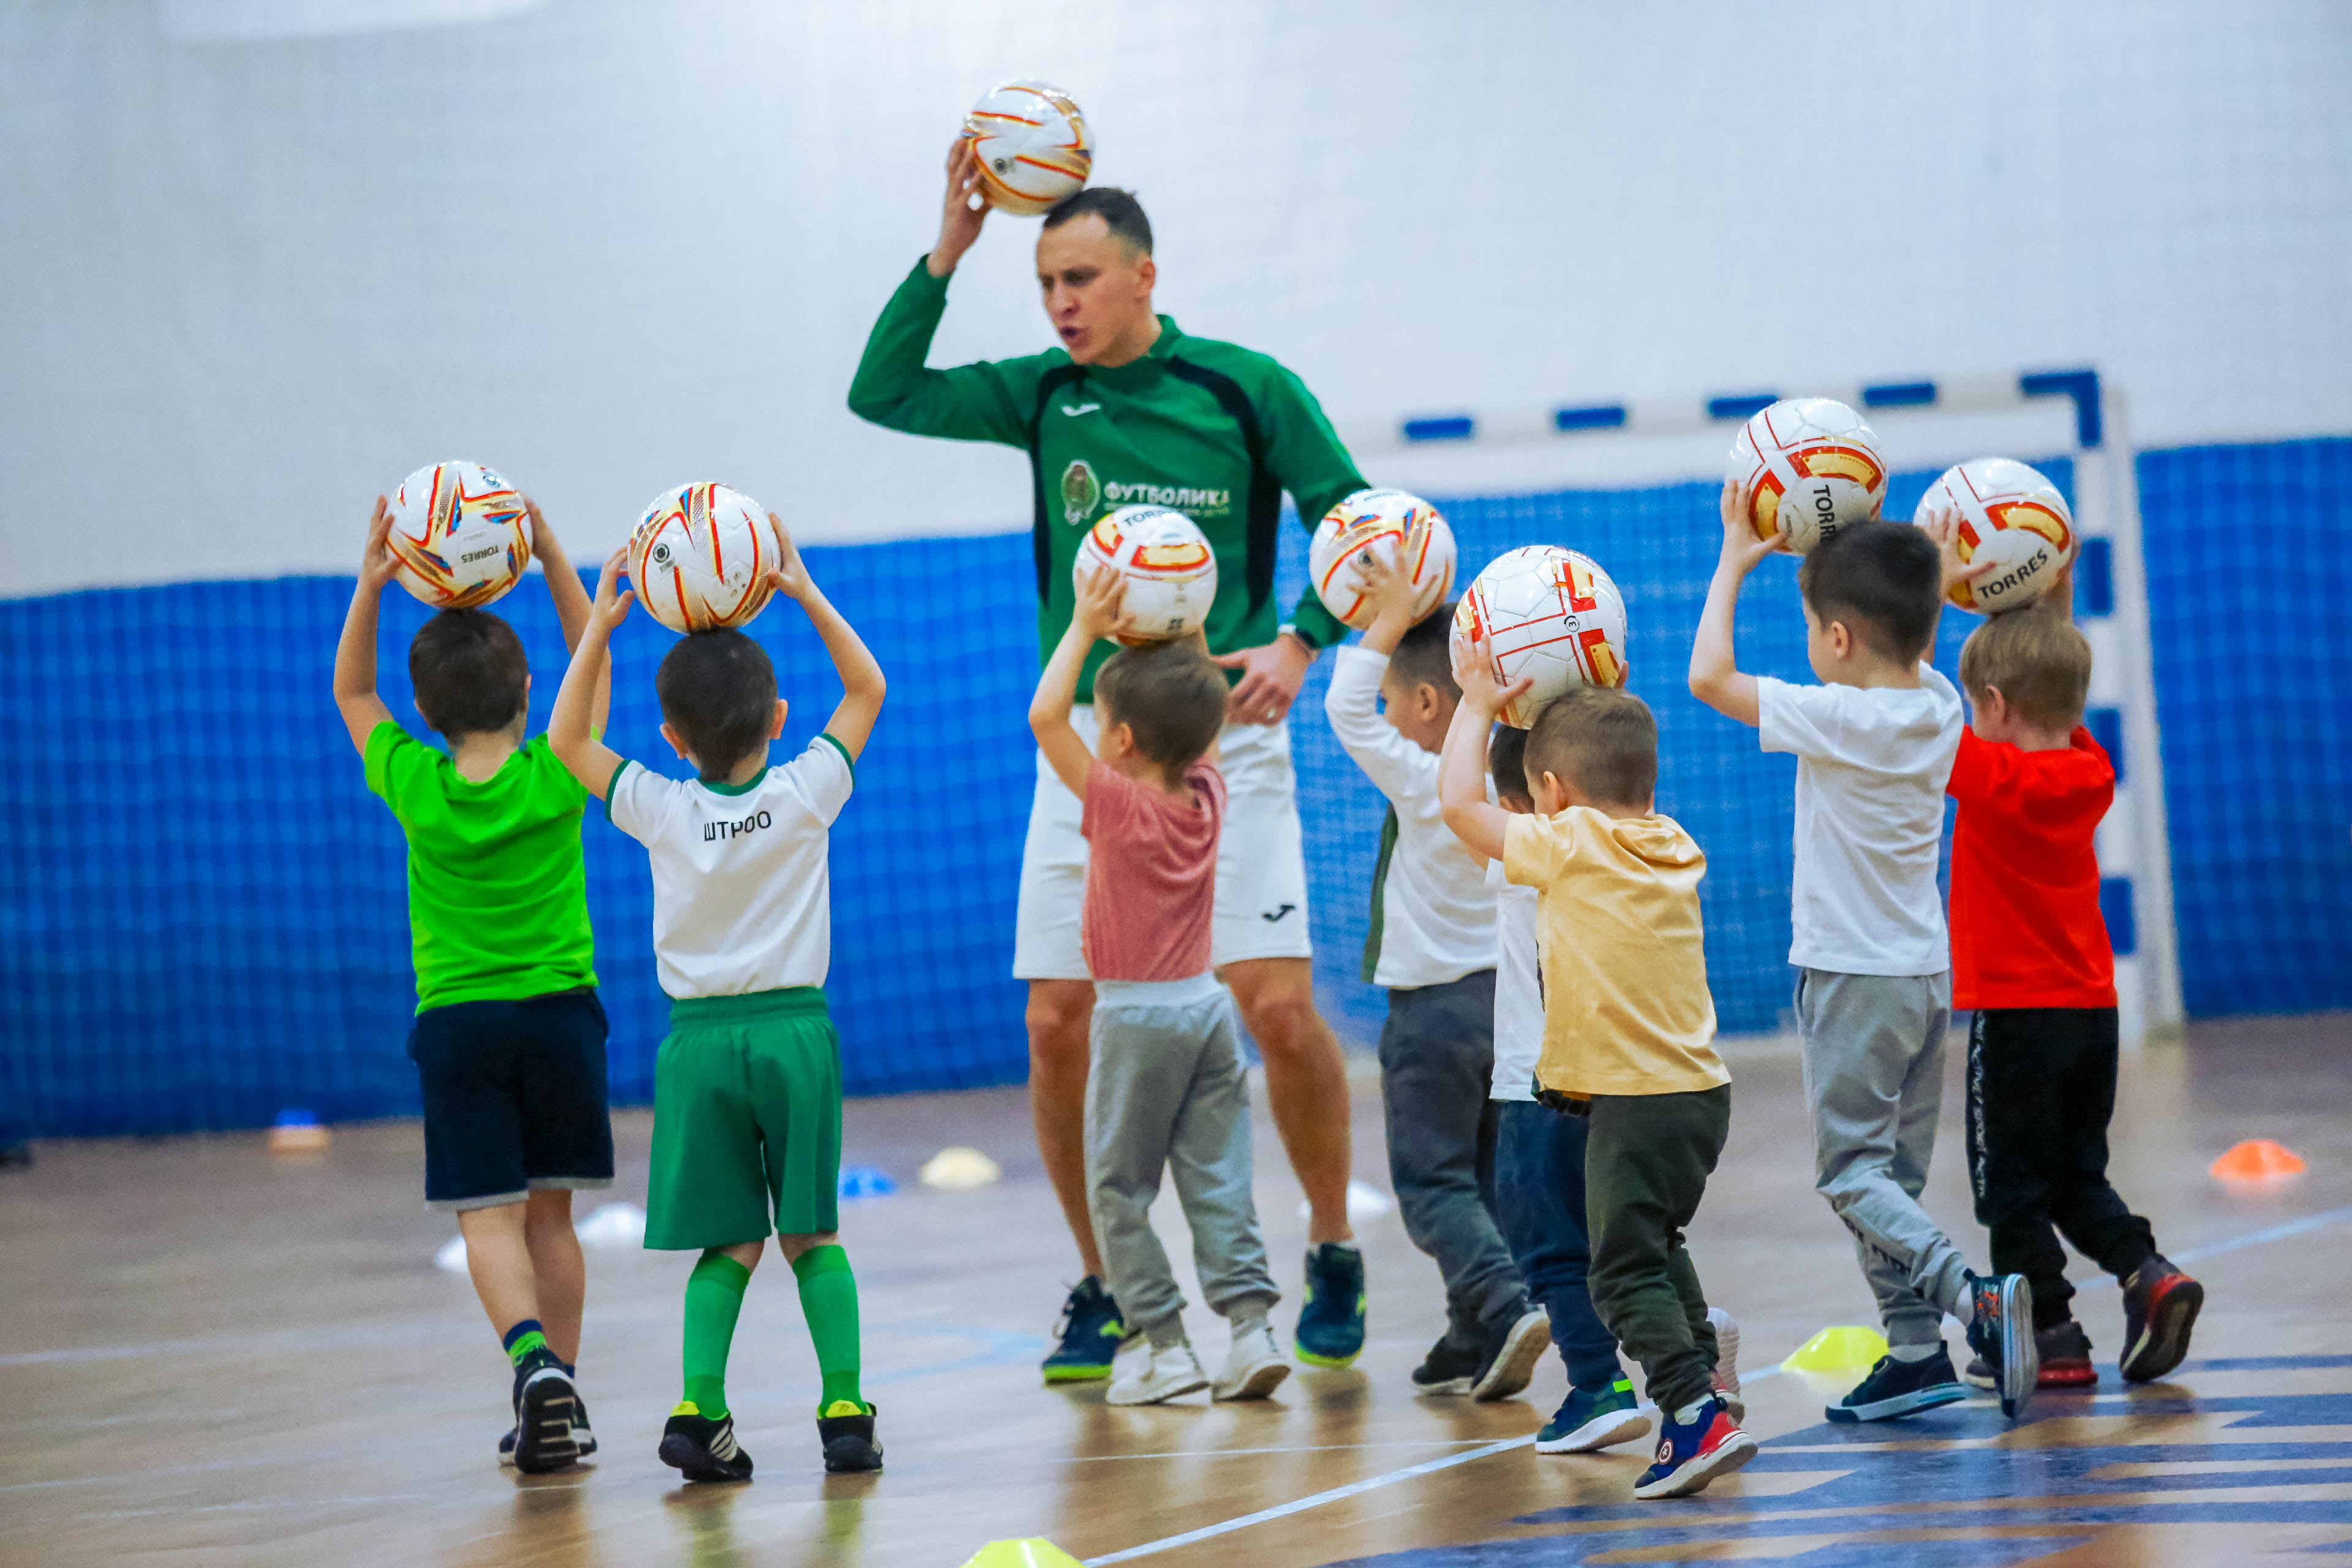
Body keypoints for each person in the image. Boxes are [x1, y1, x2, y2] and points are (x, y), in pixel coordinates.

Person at [848, 149, 1368, 1377]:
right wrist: (948, 251)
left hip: (1226, 744)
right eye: (1042, 284)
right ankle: (1106, 1284)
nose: (1060, 304)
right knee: (1054, 1020)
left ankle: (1333, 1245)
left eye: (1079, 278)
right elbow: (882, 391)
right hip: (1087, 749)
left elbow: (1354, 520)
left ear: (1144, 276)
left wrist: (1302, 638)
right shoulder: (1040, 394)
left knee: (1278, 1007)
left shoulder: (1245, 387)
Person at [1687, 483, 2038, 1422]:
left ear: (1839, 640)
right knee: (1891, 1180)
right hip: (1924, 976)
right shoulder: (1937, 701)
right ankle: (1919, 1355)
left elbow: (1707, 679)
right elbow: (1912, 628)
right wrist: (1928, 560)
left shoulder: (1845, 717)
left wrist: (1733, 555)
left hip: (1852, 976)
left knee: (1851, 1175)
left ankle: (1975, 1301)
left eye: (1811, 624)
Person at [546, 520, 888, 1479]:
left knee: (726, 1240)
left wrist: (602, 626)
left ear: (669, 736)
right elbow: (869, 688)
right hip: (794, 1033)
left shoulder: (660, 806)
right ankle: (845, 1410)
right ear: (780, 716)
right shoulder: (809, 790)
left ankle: (700, 1411)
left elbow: (566, 737)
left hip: (696, 1046)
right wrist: (805, 591)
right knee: (810, 1232)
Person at [331, 494, 609, 1474]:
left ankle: (533, 1372)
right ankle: (562, 1386)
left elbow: (353, 696)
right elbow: (597, 662)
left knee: (487, 1216)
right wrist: (552, 553)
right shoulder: (558, 770)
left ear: (425, 712)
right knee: (551, 1215)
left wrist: (372, 585)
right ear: (533, 690)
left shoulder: (413, 779)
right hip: (561, 1019)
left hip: (458, 1026)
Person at [1438, 660, 1755, 1500]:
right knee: (1655, 1245)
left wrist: (1474, 703)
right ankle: (1707, 1388)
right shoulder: (1672, 839)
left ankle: (1689, 1415)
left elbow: (1459, 807)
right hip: (1700, 1094)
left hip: (1637, 1100)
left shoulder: (1570, 843)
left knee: (1618, 1269)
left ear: (1547, 790)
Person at [1926, 526, 2204, 1389]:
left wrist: (1931, 592)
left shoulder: (1993, 776)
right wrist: (2051, 598)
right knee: (2077, 1175)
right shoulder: (2088, 767)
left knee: (2006, 1187)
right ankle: (2148, 1273)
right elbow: (2057, 684)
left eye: (1980, 704)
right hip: (2093, 1015)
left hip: (2017, 1018)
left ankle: (2049, 1334)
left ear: (1997, 704)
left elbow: (1913, 704)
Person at [1028, 568, 1287, 1406]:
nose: (1091, 730)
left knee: (1117, 1189)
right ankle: (1252, 1333)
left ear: (1123, 742)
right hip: (1209, 1012)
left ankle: (1165, 1344)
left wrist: (1081, 626)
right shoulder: (1208, 793)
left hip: (1137, 1019)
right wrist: (1193, 646)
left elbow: (1042, 716)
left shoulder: (1113, 804)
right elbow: (1198, 725)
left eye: (1101, 723)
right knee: (1217, 1178)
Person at [1321, 552, 1547, 1400]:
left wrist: (1384, 618)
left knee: (1431, 1181)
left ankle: (1504, 1300)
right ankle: (1472, 1331)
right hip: (1511, 1007)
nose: (1384, 712)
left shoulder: (1427, 780)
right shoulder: (1518, 778)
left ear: (1426, 706)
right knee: (1484, 1178)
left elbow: (1345, 707)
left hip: (1434, 1014)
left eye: (1394, 702)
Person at [1479, 722, 1651, 1453]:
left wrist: (1480, 702)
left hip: (1538, 1086)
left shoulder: (1530, 857)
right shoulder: (1646, 847)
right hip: (1625, 1083)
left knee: (1549, 1247)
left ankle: (1596, 1387)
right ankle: (1699, 1357)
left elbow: (1453, 800)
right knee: (1629, 1239)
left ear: (1528, 805)